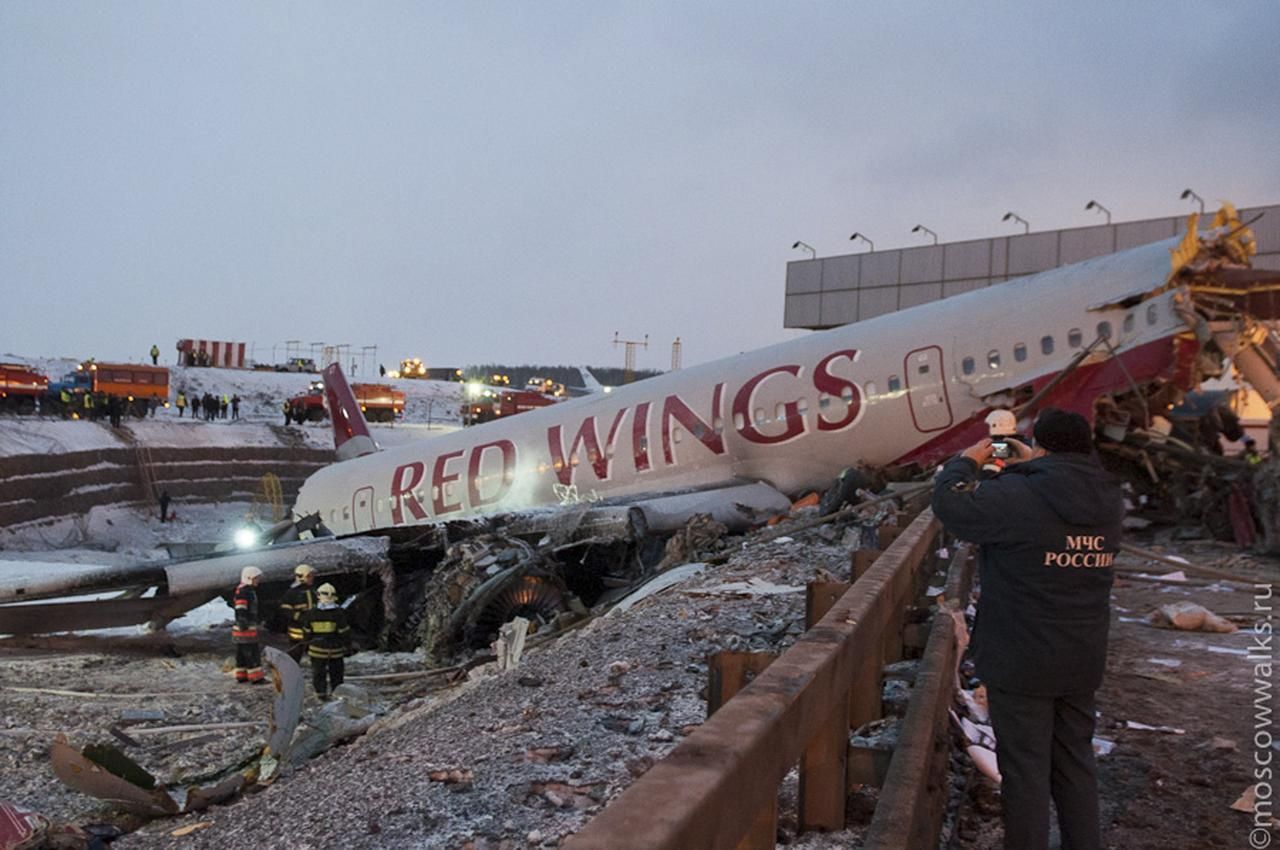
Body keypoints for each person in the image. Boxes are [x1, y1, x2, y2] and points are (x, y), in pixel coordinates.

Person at [931, 408, 1123, 850]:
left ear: (1042, 446)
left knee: (1025, 769)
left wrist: (966, 461)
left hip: (1021, 655)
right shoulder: (1108, 496)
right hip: (1082, 653)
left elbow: (950, 505)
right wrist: (1029, 469)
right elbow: (1053, 510)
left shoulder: (1020, 494)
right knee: (1075, 763)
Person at [303, 583, 350, 700]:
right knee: (336, 673)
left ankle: (321, 694)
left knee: (318, 673)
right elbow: (344, 632)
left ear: (318, 596)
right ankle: (337, 693)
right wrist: (347, 646)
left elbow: (307, 632)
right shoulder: (339, 613)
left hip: (317, 650)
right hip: (335, 650)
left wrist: (306, 645)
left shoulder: (311, 613)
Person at [232, 566, 266, 684]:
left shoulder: (246, 590)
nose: (258, 581)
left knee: (241, 653)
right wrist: (243, 622)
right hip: (245, 628)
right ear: (249, 578)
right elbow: (241, 608)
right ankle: (256, 677)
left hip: (242, 628)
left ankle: (241, 675)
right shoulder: (244, 591)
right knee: (251, 652)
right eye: (256, 578)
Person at [280, 564, 317, 663]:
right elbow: (286, 610)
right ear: (302, 577)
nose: (312, 578)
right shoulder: (291, 593)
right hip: (297, 632)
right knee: (294, 656)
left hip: (312, 630)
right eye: (309, 576)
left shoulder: (313, 591)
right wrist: (300, 617)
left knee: (316, 655)